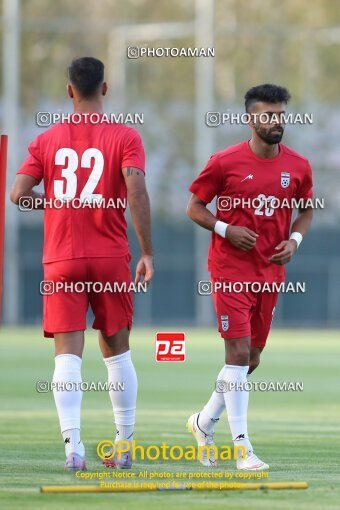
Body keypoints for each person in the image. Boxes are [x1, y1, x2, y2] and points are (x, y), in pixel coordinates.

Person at [10, 57, 154, 471]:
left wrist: (51, 202)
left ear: (69, 90)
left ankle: (74, 449)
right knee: (118, 354)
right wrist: (147, 252)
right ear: (104, 89)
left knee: (67, 357)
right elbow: (137, 193)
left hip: (62, 259)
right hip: (110, 257)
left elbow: (18, 193)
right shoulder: (125, 136)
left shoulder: (46, 140)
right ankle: (124, 447)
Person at [186, 83, 313, 471]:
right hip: (229, 272)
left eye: (280, 115)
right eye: (267, 115)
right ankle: (242, 448)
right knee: (238, 354)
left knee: (251, 358)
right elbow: (194, 207)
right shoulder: (224, 162)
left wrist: (295, 238)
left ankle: (204, 421)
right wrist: (225, 229)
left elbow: (306, 209)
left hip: (270, 273)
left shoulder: (298, 165)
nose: (275, 121)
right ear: (250, 118)